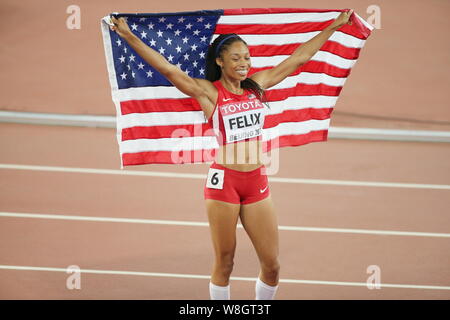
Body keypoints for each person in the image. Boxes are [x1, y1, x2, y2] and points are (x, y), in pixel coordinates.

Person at [110, 9, 353, 300]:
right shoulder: (208, 93)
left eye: (247, 58)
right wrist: (128, 36)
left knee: (272, 265)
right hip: (223, 183)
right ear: (220, 61)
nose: (244, 63)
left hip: (256, 182)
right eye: (236, 58)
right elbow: (168, 69)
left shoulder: (257, 86)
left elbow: (298, 59)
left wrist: (334, 27)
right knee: (225, 262)